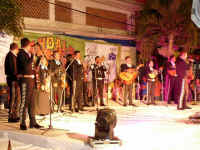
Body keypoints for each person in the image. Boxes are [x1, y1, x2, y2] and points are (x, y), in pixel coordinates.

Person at [17, 38, 42, 130]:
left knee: (32, 102)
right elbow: (26, 67)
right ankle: (22, 122)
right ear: (27, 45)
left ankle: (33, 122)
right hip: (25, 80)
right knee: (24, 102)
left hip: (31, 81)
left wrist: (39, 59)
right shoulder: (21, 54)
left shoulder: (28, 55)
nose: (32, 47)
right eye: (31, 46)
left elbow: (33, 67)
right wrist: (33, 55)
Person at [4, 43, 20, 122]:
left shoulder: (12, 56)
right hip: (13, 80)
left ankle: (15, 114)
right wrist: (19, 75)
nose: (18, 51)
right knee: (13, 98)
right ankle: (11, 116)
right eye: (17, 49)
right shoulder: (10, 56)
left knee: (16, 98)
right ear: (15, 49)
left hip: (14, 80)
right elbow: (13, 70)